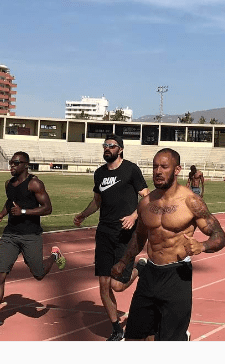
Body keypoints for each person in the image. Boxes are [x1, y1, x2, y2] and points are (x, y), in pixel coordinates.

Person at [112, 148, 225, 341]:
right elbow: (139, 237)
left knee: (169, 340)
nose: (158, 171)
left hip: (176, 275)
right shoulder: (146, 203)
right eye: (155, 166)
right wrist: (124, 261)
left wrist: (202, 246)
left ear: (177, 170)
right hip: (149, 274)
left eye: (164, 167)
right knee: (136, 336)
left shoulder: (191, 201)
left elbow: (220, 235)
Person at [0, 152, 66, 337]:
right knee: (0, 274)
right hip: (10, 235)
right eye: (11, 163)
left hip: (30, 236)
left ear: (26, 165)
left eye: (16, 163)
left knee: (38, 274)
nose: (12, 166)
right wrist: (2, 214)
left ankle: (55, 256)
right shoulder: (8, 184)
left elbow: (48, 208)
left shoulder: (35, 184)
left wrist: (23, 211)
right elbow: (10, 202)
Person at [73, 135, 149, 341]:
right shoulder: (99, 173)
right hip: (104, 233)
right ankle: (117, 329)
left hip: (125, 234)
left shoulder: (131, 169)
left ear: (120, 149)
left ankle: (140, 268)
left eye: (111, 146)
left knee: (118, 285)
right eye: (105, 145)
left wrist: (134, 216)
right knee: (104, 284)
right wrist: (83, 214)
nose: (107, 148)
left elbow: (147, 197)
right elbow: (97, 201)